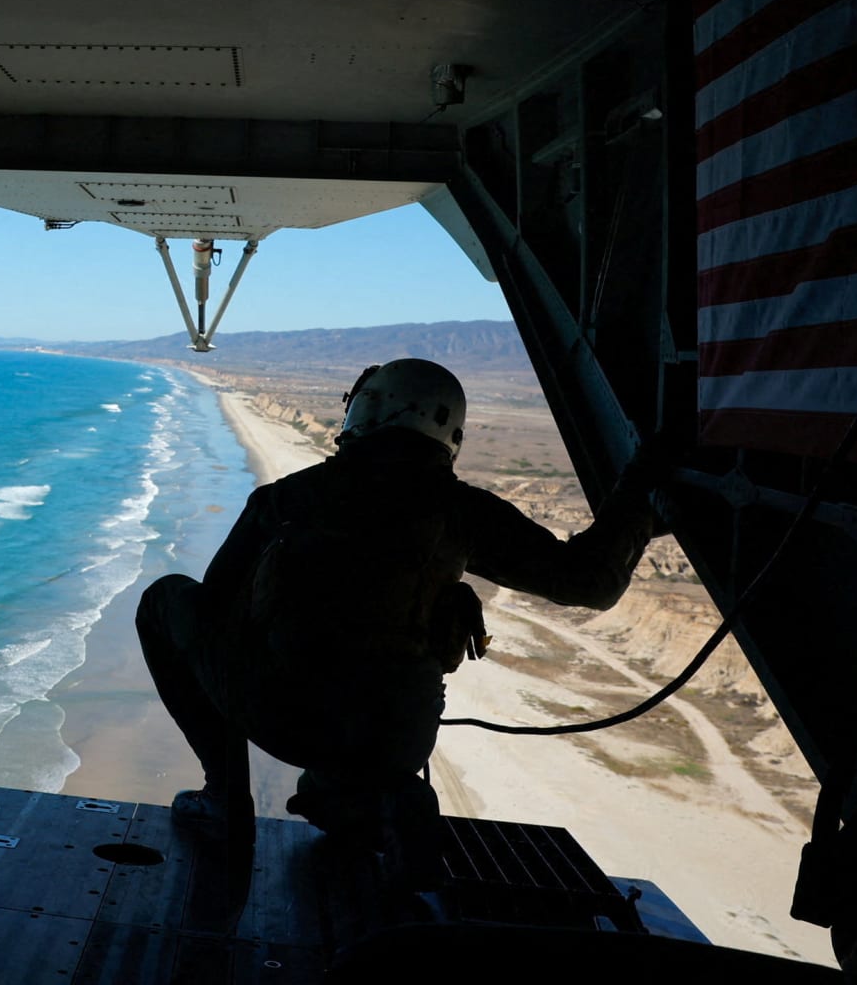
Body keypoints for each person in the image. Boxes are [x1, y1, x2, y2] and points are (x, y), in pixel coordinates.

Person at [135, 358, 663, 859]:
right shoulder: (465, 511)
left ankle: (224, 798)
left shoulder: (287, 499)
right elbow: (591, 583)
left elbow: (214, 608)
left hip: (290, 722)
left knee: (164, 600)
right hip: (399, 738)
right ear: (449, 432)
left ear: (364, 410)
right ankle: (376, 799)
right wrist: (642, 478)